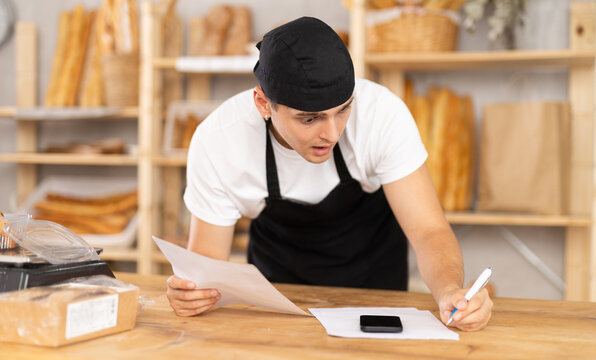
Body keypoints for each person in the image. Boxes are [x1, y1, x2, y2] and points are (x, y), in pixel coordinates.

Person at [166, 16, 493, 331]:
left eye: (343, 109)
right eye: (310, 119)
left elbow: (429, 230)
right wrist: (194, 294)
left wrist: (450, 289)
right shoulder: (219, 140)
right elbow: (207, 266)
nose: (332, 133)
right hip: (279, 298)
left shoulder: (382, 114)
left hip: (376, 289)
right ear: (264, 104)